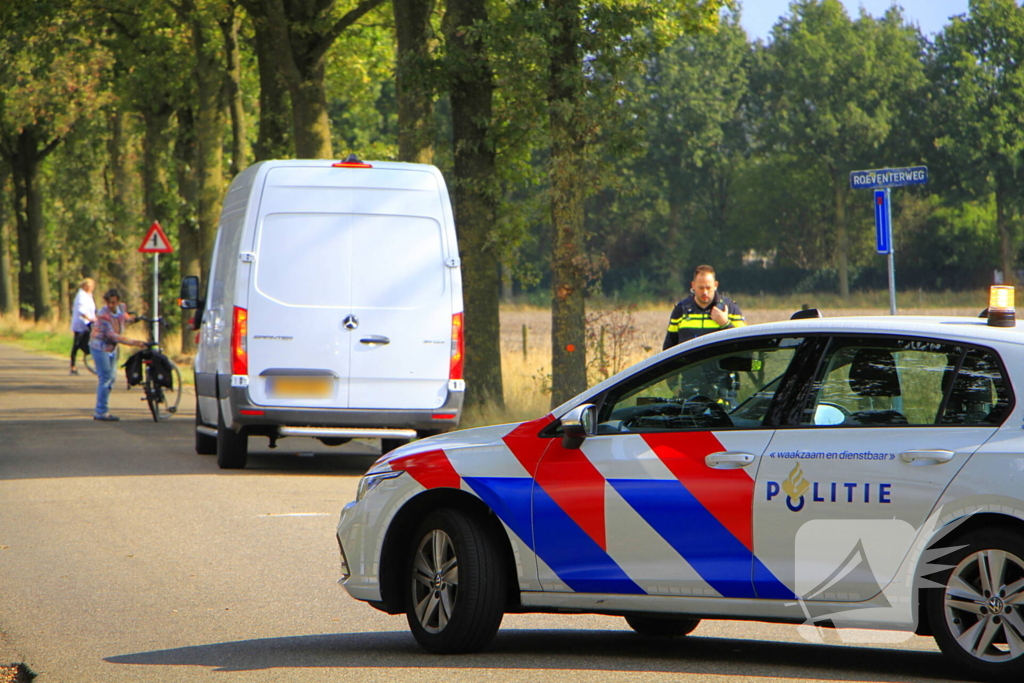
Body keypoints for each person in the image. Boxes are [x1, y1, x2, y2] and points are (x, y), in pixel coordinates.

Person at [89, 288, 145, 421]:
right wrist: (135, 342)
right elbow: (112, 335)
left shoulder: (121, 308)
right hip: (100, 346)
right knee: (105, 377)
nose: (111, 305)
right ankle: (101, 411)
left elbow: (124, 317)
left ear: (118, 301)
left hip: (112, 348)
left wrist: (134, 319)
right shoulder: (103, 315)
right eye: (108, 302)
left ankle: (103, 408)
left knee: (112, 378)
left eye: (113, 302)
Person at [663, 264, 745, 350]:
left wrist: (726, 324)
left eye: (708, 288)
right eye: (701, 288)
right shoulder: (681, 310)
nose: (705, 292)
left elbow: (745, 344)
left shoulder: (730, 309)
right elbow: (668, 349)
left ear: (716, 285)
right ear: (693, 285)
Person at [69, 278, 97, 375]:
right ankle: (73, 366)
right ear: (84, 286)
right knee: (76, 344)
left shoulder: (89, 296)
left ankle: (89, 355)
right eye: (89, 286)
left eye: (92, 286)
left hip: (88, 323)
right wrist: (89, 318)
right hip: (81, 323)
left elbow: (92, 310)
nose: (91, 288)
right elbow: (81, 310)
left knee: (87, 342)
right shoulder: (81, 296)